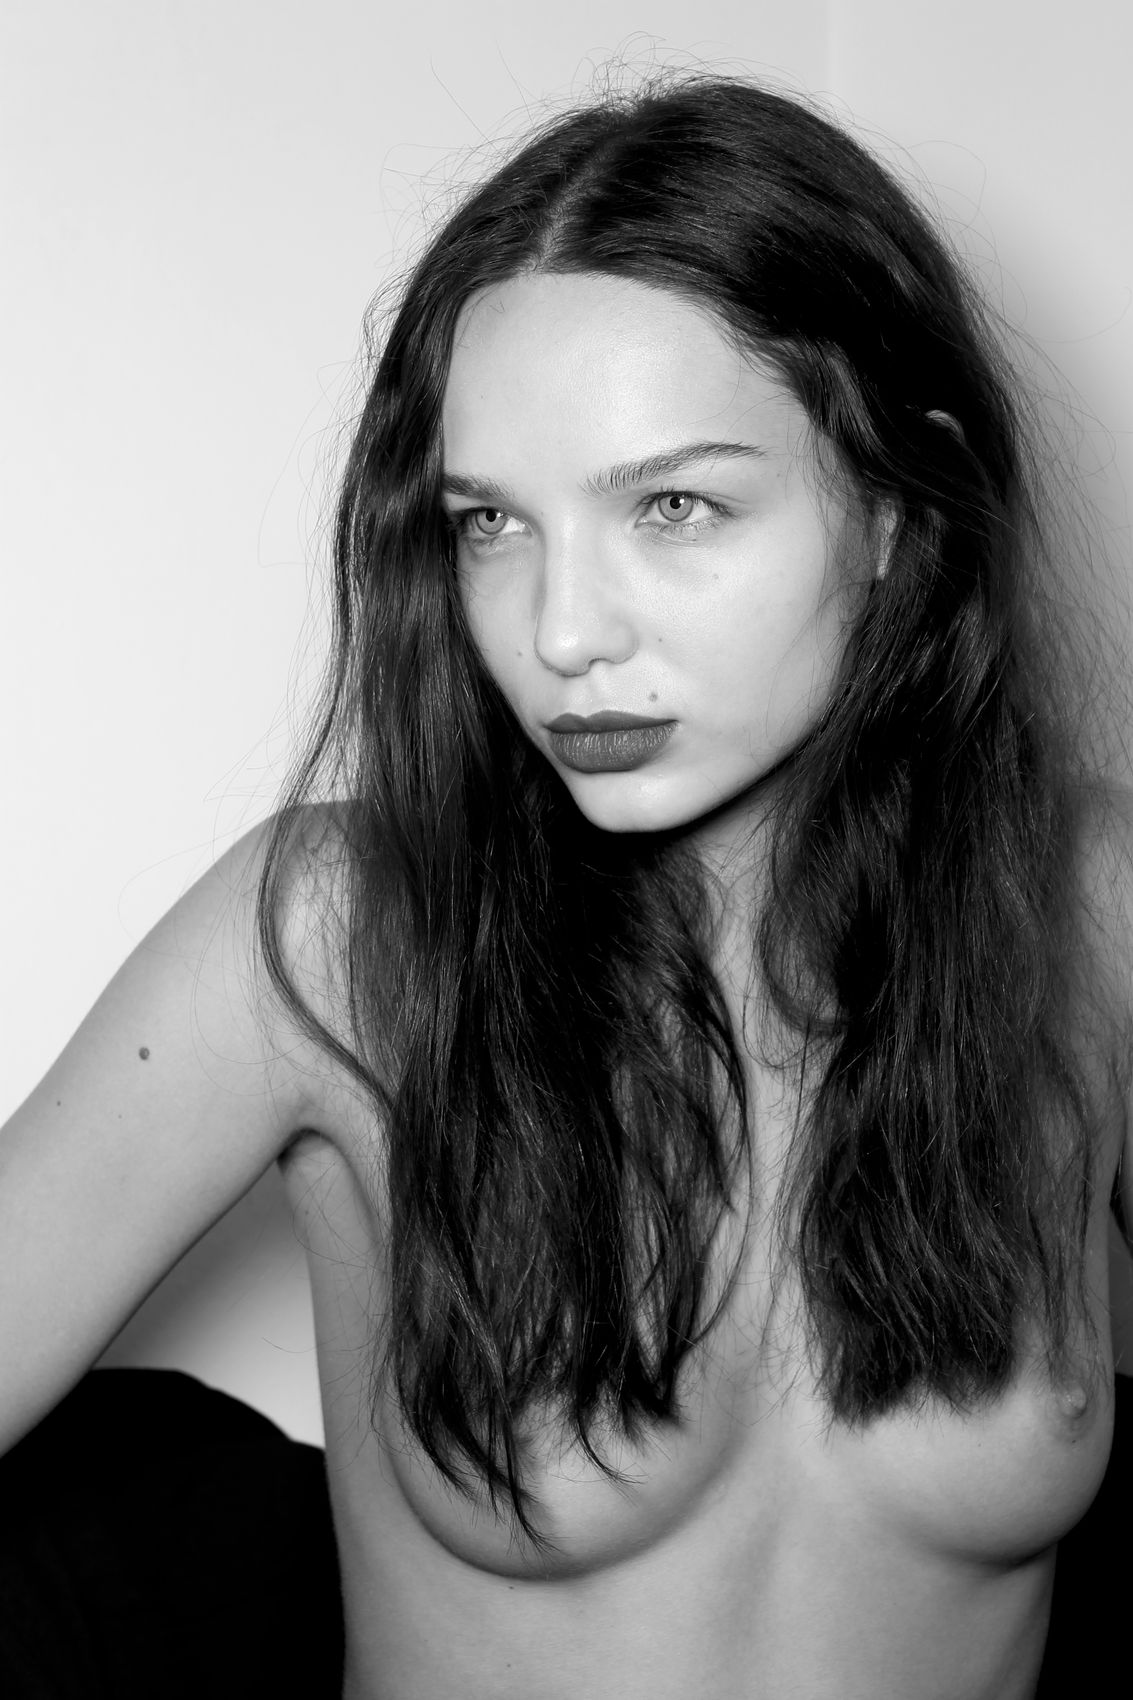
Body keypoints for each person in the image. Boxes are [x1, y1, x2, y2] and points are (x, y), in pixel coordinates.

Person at [1, 71, 1130, 1700]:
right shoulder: (336, 939)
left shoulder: (1087, 910)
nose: (559, 632)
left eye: (671, 506)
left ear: (896, 508)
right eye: (490, 524)